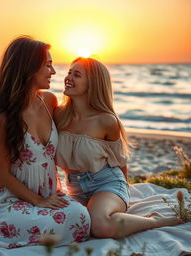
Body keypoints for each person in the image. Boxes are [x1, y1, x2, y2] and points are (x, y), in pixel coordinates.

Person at [0, 37, 90, 250]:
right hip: (11, 199)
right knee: (63, 223)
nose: (53, 71)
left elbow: (78, 125)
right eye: (48, 65)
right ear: (29, 68)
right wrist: (37, 201)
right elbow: (3, 174)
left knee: (81, 217)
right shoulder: (3, 117)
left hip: (48, 193)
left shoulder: (50, 101)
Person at [55, 57, 183, 239]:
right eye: (69, 72)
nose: (68, 77)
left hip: (106, 184)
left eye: (77, 75)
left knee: (99, 225)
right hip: (74, 188)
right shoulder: (58, 115)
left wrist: (121, 198)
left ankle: (156, 221)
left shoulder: (106, 121)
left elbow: (120, 162)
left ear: (93, 84)